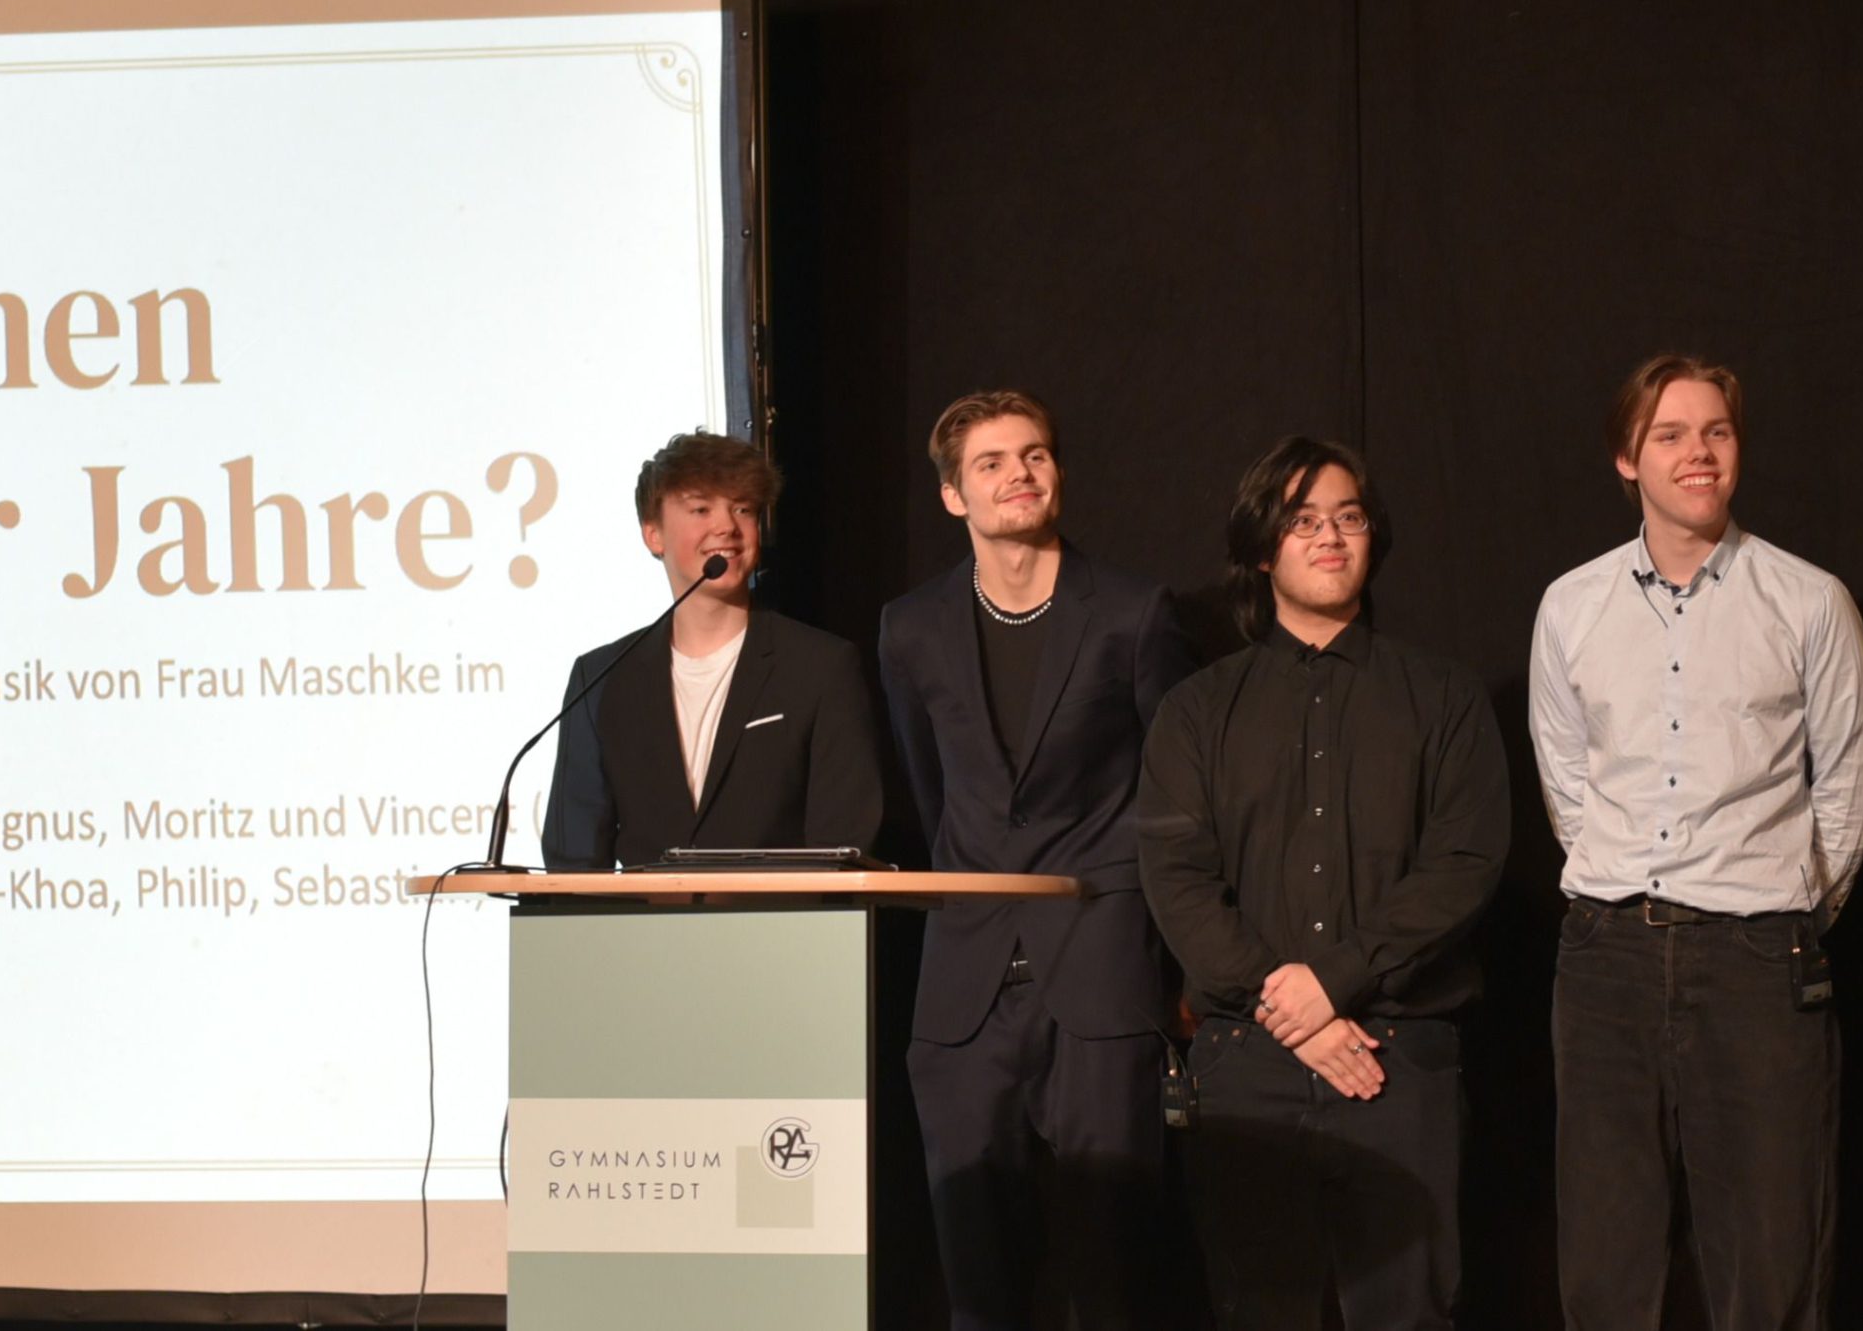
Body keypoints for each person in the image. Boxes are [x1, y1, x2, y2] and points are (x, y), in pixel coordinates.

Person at [1529, 354, 1863, 1331]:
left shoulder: (1807, 600)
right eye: (1671, 434)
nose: (1699, 453)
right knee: (1606, 1263)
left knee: (1770, 1259)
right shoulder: (1572, 605)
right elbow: (1567, 782)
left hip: (1757, 957)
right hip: (1606, 956)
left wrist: (1785, 914)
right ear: (1626, 457)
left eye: (1716, 431)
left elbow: (1849, 787)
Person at [1137, 437, 1506, 1329]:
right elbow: (1178, 879)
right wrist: (1291, 1009)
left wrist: (1333, 981)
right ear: (1263, 548)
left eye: (1348, 517)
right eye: (1303, 520)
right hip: (1246, 1062)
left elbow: (1463, 863)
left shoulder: (1445, 698)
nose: (1330, 536)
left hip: (1398, 1058)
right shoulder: (1196, 711)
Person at [878, 388, 1195, 1331]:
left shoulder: (1133, 612)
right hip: (965, 987)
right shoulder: (910, 626)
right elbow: (927, 789)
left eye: (1035, 454)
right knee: (979, 1283)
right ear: (953, 495)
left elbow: (1178, 795)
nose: (1018, 473)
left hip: (1101, 970)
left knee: (1114, 1279)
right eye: (991, 462)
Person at [541, 430, 881, 869]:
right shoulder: (601, 677)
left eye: (743, 509)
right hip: (641, 916)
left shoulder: (821, 667)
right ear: (653, 534)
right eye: (701, 509)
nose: (726, 527)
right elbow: (574, 859)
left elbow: (843, 847)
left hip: (781, 915)